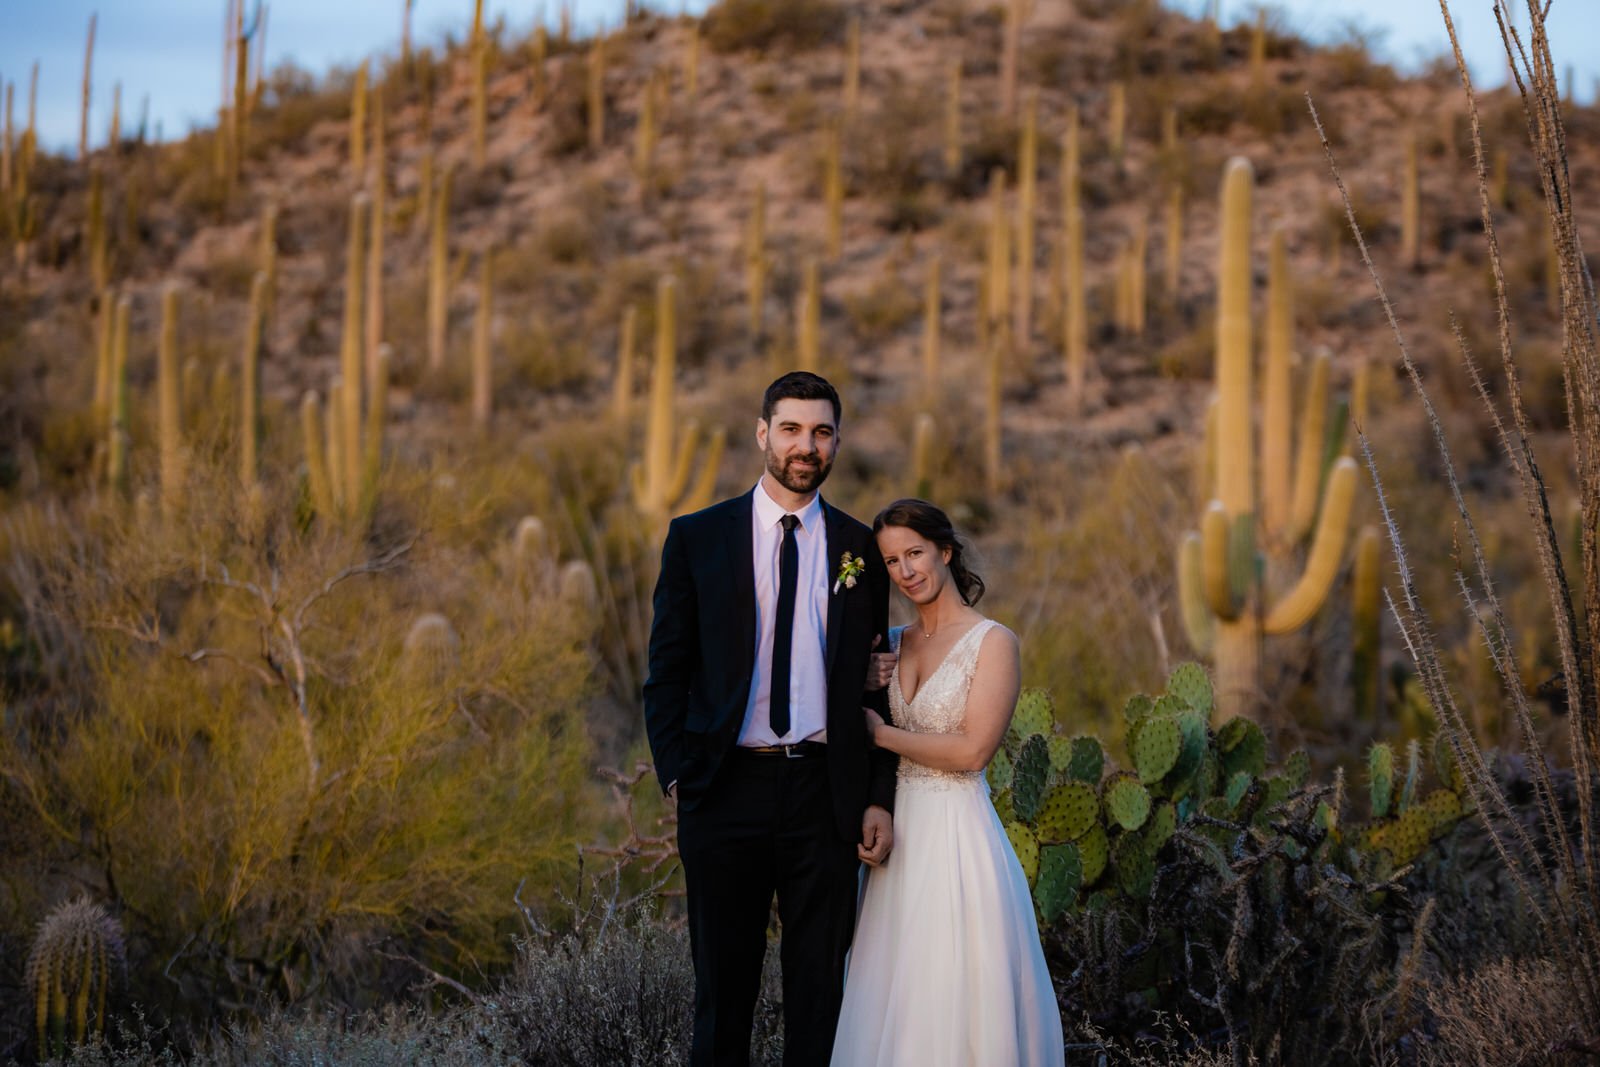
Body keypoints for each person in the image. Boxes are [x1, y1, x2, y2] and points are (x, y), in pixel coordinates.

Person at [644, 371, 898, 1067]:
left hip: (824, 792)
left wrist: (877, 793)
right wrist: (679, 779)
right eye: (790, 429)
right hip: (725, 788)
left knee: (819, 996)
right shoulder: (698, 538)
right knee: (723, 993)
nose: (804, 445)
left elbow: (876, 691)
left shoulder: (859, 550)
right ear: (763, 434)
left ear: (837, 443)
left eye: (820, 432)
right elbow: (665, 669)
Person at [831, 498, 1065, 1066]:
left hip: (958, 841)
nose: (905, 571)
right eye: (890, 561)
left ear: (945, 551)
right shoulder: (887, 643)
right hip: (892, 846)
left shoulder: (994, 642)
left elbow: (971, 751)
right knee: (894, 1001)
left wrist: (877, 732)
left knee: (954, 1000)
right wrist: (858, 684)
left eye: (914, 553)